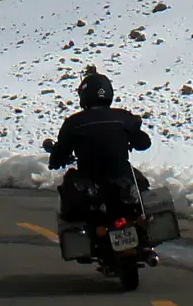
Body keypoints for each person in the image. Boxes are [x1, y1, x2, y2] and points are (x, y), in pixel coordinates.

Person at [47, 65, 151, 229]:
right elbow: (144, 143)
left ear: (84, 95)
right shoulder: (124, 117)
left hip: (92, 186)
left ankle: (85, 244)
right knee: (141, 188)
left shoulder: (74, 122)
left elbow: (57, 157)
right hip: (123, 182)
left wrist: (57, 158)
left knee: (70, 190)